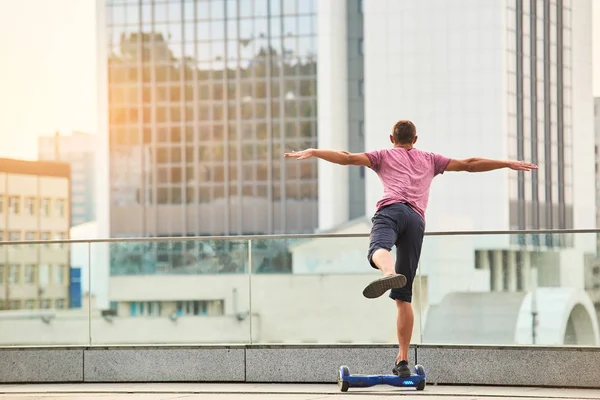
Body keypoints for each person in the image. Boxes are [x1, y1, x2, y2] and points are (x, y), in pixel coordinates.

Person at [284, 119, 537, 378]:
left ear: (391, 138)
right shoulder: (430, 159)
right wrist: (506, 163)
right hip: (416, 221)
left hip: (391, 210)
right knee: (404, 297)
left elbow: (346, 158)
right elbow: (469, 164)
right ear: (415, 139)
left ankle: (386, 272)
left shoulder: (383, 155)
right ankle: (403, 360)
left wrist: (315, 152)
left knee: (377, 251)